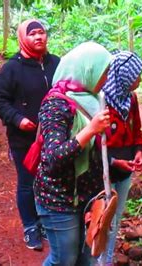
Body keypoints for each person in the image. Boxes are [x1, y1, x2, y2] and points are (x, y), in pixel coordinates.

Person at [34, 42, 112, 265]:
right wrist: (91, 130)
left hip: (87, 196)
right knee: (64, 260)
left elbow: (93, 153)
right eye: (103, 72)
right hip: (59, 197)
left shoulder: (94, 100)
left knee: (85, 258)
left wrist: (116, 162)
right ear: (87, 70)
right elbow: (52, 159)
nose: (105, 78)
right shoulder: (56, 104)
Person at [0, 19, 60, 251]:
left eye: (41, 33)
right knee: (27, 182)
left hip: (53, 136)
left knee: (48, 180)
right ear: (23, 38)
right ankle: (30, 226)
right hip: (24, 138)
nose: (38, 37)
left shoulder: (56, 63)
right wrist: (18, 119)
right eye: (33, 34)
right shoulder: (12, 67)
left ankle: (43, 222)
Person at [100, 51, 142, 265]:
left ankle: (106, 261)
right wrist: (112, 161)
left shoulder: (131, 99)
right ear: (125, 76)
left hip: (125, 172)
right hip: (104, 171)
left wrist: (138, 152)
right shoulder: (100, 101)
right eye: (137, 75)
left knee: (115, 219)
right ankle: (94, 260)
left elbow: (137, 130)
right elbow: (93, 144)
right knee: (100, 218)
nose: (140, 80)